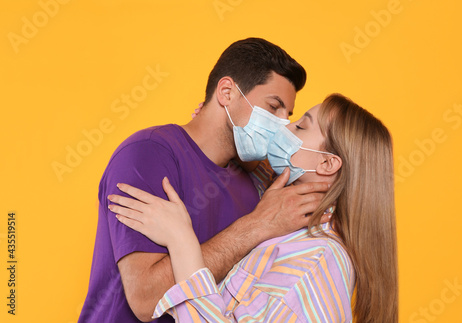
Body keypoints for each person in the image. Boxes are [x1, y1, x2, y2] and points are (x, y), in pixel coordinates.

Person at [78, 38, 331, 323]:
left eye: (290, 116)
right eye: (274, 108)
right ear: (227, 92)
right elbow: (146, 300)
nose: (283, 124)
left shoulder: (257, 183)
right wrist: (256, 226)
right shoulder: (147, 154)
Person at [109, 94, 399, 322]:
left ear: (326, 163)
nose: (285, 126)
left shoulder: (315, 263)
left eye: (300, 126)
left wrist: (181, 240)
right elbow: (254, 171)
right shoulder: (284, 210)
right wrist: (220, 125)